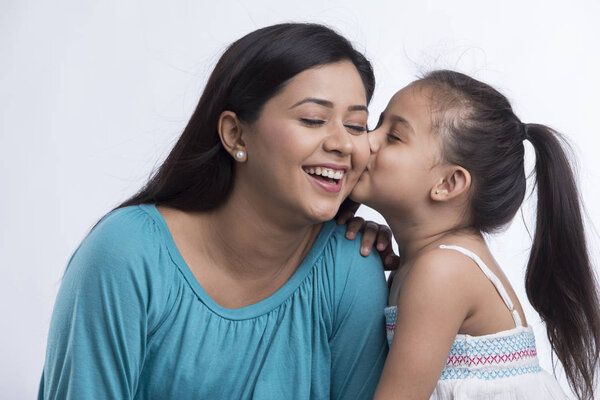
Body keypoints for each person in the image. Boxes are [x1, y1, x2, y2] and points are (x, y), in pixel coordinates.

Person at [38, 23, 390, 399]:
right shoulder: (126, 255)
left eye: (356, 125)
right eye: (312, 120)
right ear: (235, 134)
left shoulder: (350, 269)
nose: (343, 144)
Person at [350, 70, 600, 399]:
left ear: (448, 184)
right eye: (377, 126)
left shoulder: (442, 270)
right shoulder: (427, 261)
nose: (367, 140)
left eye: (393, 136)